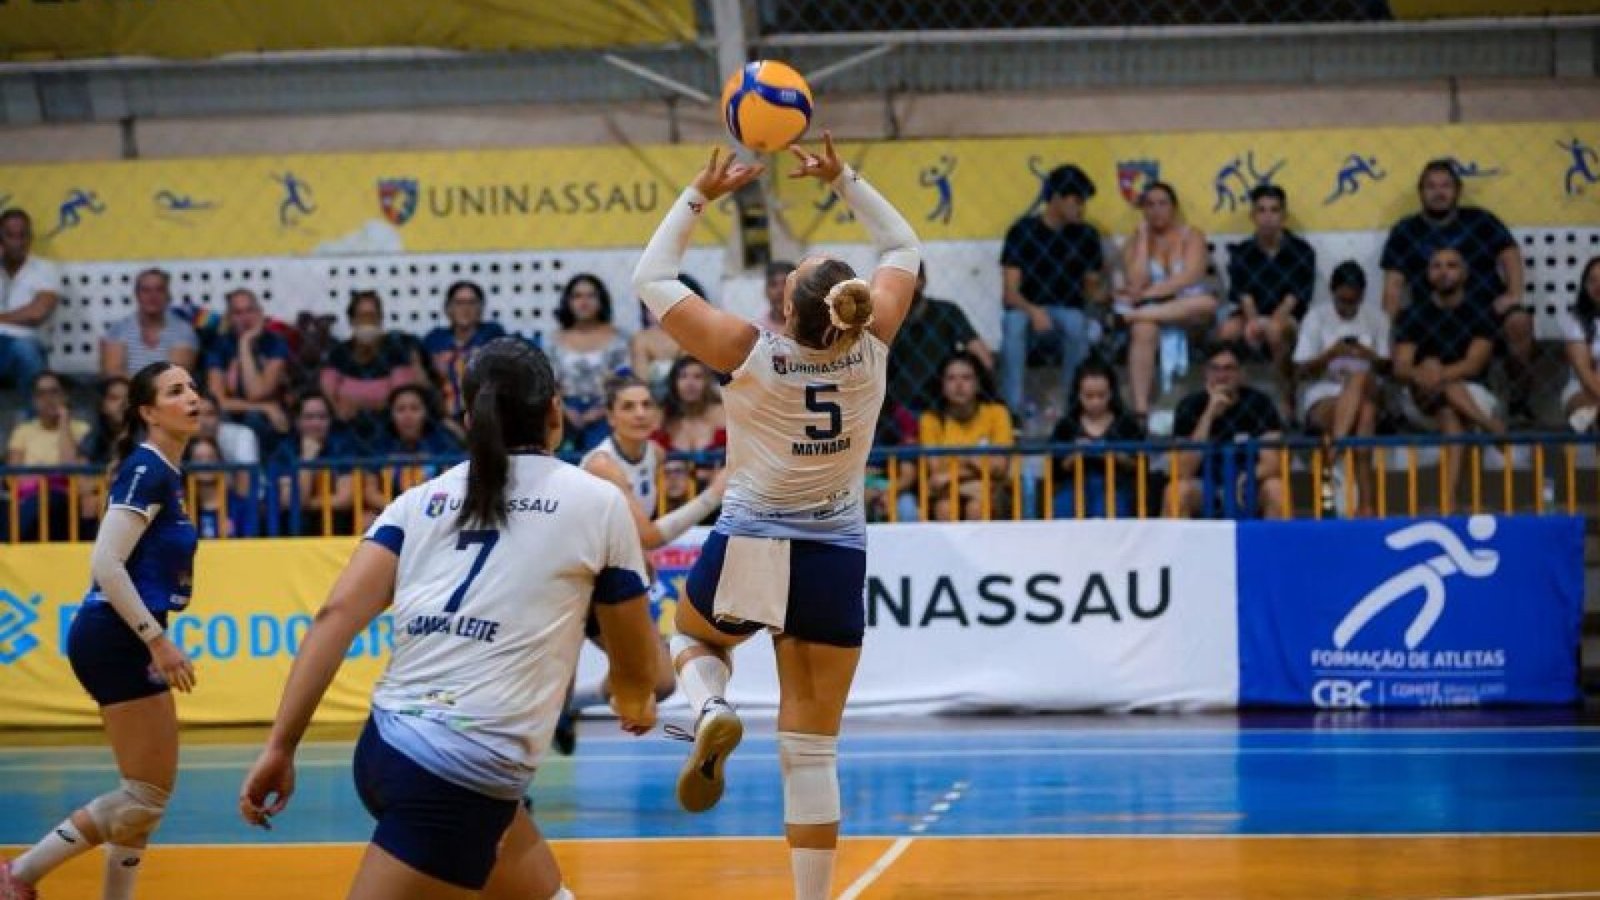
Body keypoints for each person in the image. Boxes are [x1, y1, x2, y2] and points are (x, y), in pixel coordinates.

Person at [238, 338, 660, 900]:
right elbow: (638, 661)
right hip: (458, 770)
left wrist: (280, 747)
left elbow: (334, 617)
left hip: (386, 747)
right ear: (555, 409)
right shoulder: (596, 501)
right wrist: (635, 697)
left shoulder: (420, 500)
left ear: (469, 417)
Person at [630, 135, 918, 900]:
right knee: (812, 752)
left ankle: (711, 708)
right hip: (834, 557)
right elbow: (903, 243)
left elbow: (651, 276)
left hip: (754, 540)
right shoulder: (873, 345)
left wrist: (698, 194)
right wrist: (843, 178)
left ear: (787, 310)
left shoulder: (748, 351)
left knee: (692, 636)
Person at [2, 362, 201, 900]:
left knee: (146, 798)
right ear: (148, 412)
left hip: (123, 633)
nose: (192, 397)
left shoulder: (164, 471)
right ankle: (19, 875)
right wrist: (155, 640)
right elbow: (106, 564)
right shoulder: (146, 470)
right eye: (176, 391)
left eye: (192, 388)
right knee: (145, 795)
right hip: (115, 634)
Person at [563, 374, 729, 751]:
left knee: (661, 681)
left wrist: (640, 556)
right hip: (576, 583)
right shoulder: (603, 465)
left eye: (646, 405)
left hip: (614, 581)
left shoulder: (654, 453)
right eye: (627, 406)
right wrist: (714, 495)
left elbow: (635, 528)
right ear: (610, 417)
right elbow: (648, 534)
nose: (639, 413)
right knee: (553, 682)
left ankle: (570, 707)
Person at [1380, 159, 1530, 417]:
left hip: (1484, 310)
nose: (1439, 192)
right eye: (1431, 186)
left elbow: (1510, 254)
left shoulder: (1480, 220)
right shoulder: (1406, 230)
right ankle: (1393, 409)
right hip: (1430, 316)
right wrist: (1386, 324)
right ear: (1421, 192)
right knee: (1385, 331)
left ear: (1457, 190)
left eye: (1446, 186)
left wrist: (1513, 295)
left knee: (1519, 321)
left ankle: (1520, 402)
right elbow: (1393, 284)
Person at [1393, 246, 1504, 506]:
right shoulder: (1414, 314)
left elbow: (1473, 365)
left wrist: (1437, 372)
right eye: (1437, 266)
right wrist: (1423, 373)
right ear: (1428, 274)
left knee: (1449, 410)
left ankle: (1448, 501)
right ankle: (1490, 428)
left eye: (1452, 265)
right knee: (1443, 395)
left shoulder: (1480, 312)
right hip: (1422, 398)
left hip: (1472, 394)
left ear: (1464, 273)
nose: (1444, 272)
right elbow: (1401, 367)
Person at [998, 164, 1105, 413]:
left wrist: (1113, 295)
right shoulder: (1023, 231)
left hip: (1068, 311)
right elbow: (1010, 293)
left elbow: (1091, 290)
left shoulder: (1087, 235)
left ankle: (1071, 404)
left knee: (1077, 323)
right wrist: (1034, 311)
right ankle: (1013, 408)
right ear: (1056, 198)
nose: (1081, 208)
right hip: (1026, 310)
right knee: (1013, 324)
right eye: (1076, 201)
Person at [1116, 182, 1221, 421]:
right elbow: (1136, 280)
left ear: (1174, 207)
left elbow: (1190, 276)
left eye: (1162, 203)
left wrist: (1147, 297)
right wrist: (1143, 239)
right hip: (1152, 312)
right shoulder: (1135, 242)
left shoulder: (1192, 235)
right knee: (1143, 329)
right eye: (1149, 205)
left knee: (1207, 303)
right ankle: (1141, 410)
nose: (1156, 210)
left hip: (1187, 310)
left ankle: (1136, 316)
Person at [1292, 262, 1390, 517]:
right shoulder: (1316, 317)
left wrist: (1368, 354)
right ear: (1332, 292)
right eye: (1342, 301)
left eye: (1353, 302)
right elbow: (1300, 370)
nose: (1348, 307)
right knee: (1365, 414)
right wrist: (1329, 354)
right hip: (1325, 395)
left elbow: (1389, 368)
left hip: (1369, 388)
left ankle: (1334, 449)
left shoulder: (1377, 318)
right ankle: (1367, 506)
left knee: (1358, 379)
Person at [1217, 185, 1316, 415]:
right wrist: (1252, 321)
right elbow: (1244, 294)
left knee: (1275, 331)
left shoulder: (1302, 251)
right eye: (1261, 210)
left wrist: (1270, 322)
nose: (1268, 217)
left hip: (1287, 316)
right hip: (1251, 313)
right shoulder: (1241, 251)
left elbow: (1294, 298)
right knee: (1227, 331)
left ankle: (1286, 398)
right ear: (1252, 216)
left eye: (1274, 210)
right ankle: (1227, 395)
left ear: (1284, 215)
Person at [1171, 344, 1286, 519]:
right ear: (1206, 373)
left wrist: (1246, 476)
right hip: (1203, 484)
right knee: (1177, 492)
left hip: (1247, 483)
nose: (1221, 376)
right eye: (1215, 369)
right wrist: (1209, 413)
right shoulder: (1189, 406)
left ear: (1241, 374)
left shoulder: (1260, 404)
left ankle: (1272, 546)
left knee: (1277, 489)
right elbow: (1183, 469)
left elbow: (1272, 463)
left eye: (1229, 369)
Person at [918, 352, 1014, 521]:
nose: (959, 385)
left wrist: (952, 471)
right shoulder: (930, 420)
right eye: (951, 378)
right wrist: (977, 464)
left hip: (993, 491)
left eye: (967, 378)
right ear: (942, 385)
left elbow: (999, 466)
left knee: (977, 507)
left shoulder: (997, 413)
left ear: (978, 384)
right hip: (956, 491)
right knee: (945, 508)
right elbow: (936, 471)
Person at [320, 290, 422, 449]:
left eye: (372, 316)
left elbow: (400, 394)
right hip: (344, 427)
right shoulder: (338, 354)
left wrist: (356, 403)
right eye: (362, 316)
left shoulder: (395, 352)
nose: (367, 322)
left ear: (380, 319)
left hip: (388, 428)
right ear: (352, 320)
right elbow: (328, 395)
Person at [888, 263, 994, 414]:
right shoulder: (886, 317)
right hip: (899, 405)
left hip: (942, 403)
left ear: (922, 281)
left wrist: (986, 393)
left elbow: (983, 357)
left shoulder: (946, 311)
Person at [1050, 358, 1145, 519]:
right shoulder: (1067, 425)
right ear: (1078, 394)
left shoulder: (1126, 424)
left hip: (1115, 487)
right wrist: (1075, 455)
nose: (1095, 402)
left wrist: (1114, 455)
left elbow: (1140, 465)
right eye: (1089, 396)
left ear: (1112, 393)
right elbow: (1054, 468)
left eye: (1101, 396)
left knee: (1108, 507)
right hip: (1074, 486)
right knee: (1064, 507)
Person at [549, 273, 630, 453]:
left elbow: (624, 380)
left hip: (607, 411)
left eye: (591, 295)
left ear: (601, 300)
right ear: (567, 302)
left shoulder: (619, 338)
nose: (584, 302)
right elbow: (548, 382)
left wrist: (600, 410)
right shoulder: (554, 340)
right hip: (564, 412)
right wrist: (566, 410)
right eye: (577, 296)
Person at [6, 371, 90, 542]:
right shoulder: (23, 432)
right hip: (30, 500)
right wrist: (51, 478)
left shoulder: (82, 430)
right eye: (41, 394)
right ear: (34, 400)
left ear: (64, 395)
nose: (48, 399)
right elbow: (13, 478)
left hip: (67, 502)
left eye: (54, 392)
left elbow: (71, 468)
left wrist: (64, 422)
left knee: (54, 499)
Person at [421, 280, 506, 431]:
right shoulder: (435, 339)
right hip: (444, 416)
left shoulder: (492, 334)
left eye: (472, 302)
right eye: (459, 302)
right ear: (449, 308)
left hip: (486, 412)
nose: (465, 308)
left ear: (480, 308)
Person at [0, 208, 63, 389]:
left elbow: (36, 313)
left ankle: (36, 416)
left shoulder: (45, 269)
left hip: (27, 343)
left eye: (23, 235)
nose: (17, 242)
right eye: (10, 235)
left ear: (30, 238)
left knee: (24, 350)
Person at [100, 268, 200, 378]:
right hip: (128, 390)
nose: (153, 296)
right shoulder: (119, 329)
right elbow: (113, 372)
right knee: (117, 389)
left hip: (166, 391)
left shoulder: (183, 331)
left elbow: (176, 375)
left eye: (159, 290)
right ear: (137, 295)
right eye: (146, 290)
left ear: (168, 295)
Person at [1559, 256, 1600, 433]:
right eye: (1592, 280)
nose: (1598, 285)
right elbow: (1584, 371)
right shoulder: (1576, 321)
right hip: (1584, 389)